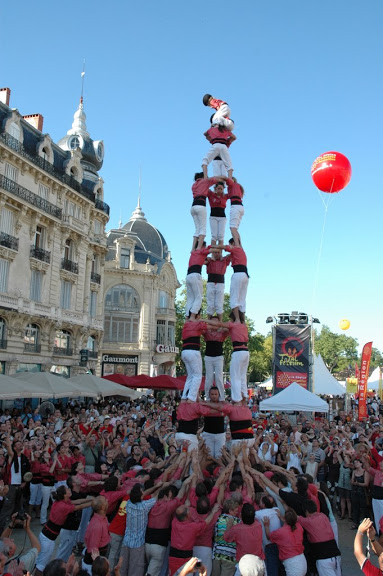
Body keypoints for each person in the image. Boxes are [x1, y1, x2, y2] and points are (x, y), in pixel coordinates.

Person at [35, 485, 93, 576]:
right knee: (41, 565)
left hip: (47, 535)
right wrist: (93, 502)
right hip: (48, 538)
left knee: (41, 561)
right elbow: (79, 506)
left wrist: (91, 500)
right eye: (68, 490)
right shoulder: (63, 506)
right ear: (65, 495)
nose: (70, 490)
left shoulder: (62, 501)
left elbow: (78, 501)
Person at [120, 483, 157, 576]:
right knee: (135, 570)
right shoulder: (144, 506)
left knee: (122, 568)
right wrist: (159, 486)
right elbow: (156, 497)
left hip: (126, 541)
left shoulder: (128, 503)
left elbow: (143, 495)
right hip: (138, 544)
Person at [297, 500, 341, 576]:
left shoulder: (308, 521)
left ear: (306, 511)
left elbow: (296, 517)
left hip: (323, 558)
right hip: (336, 555)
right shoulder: (323, 516)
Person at [263, 508, 306, 576]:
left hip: (293, 566)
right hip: (302, 561)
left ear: (285, 519)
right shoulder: (299, 526)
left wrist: (266, 525)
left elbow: (269, 536)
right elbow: (290, 524)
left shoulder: (281, 532)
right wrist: (281, 517)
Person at [0, 438, 30, 531]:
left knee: (19, 505)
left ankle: (16, 523)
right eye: (18, 444)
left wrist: (25, 482)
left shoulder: (24, 458)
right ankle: (3, 527)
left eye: (21, 444)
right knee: (8, 506)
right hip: (11, 485)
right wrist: (8, 435)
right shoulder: (11, 456)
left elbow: (28, 472)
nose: (20, 445)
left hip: (20, 485)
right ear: (14, 447)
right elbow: (9, 449)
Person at [191, 174, 221, 251]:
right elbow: (216, 180)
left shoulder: (194, 185)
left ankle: (193, 248)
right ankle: (198, 248)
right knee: (203, 229)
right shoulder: (204, 181)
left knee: (197, 229)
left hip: (193, 206)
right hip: (201, 205)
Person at [221, 240, 249, 322]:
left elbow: (223, 247)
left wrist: (212, 246)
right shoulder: (241, 251)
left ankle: (237, 319)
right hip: (245, 276)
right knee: (242, 299)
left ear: (233, 243)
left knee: (234, 298)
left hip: (237, 274)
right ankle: (243, 320)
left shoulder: (236, 249)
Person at [82, 496, 110, 576]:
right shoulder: (97, 525)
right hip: (93, 565)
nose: (107, 500)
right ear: (102, 507)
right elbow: (93, 549)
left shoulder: (102, 519)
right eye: (105, 500)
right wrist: (99, 566)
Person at [203, 319, 228, 400]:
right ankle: (207, 397)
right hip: (208, 357)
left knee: (219, 377)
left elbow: (228, 329)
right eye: (212, 322)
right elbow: (201, 328)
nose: (214, 324)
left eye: (216, 322)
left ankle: (221, 398)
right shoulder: (207, 332)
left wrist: (221, 326)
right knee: (209, 378)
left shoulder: (222, 333)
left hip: (218, 357)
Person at [185, 244, 212, 320]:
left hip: (188, 276)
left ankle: (187, 316)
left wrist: (206, 260)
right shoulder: (201, 251)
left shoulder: (194, 254)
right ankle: (193, 316)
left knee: (190, 298)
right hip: (195, 275)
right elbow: (212, 250)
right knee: (198, 297)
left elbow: (202, 262)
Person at [205, 250, 231, 320]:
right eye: (215, 252)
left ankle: (220, 323)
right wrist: (209, 256)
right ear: (213, 253)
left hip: (220, 282)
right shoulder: (209, 260)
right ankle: (208, 322)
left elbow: (232, 254)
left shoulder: (224, 260)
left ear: (221, 253)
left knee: (219, 304)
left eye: (218, 252)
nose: (217, 254)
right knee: (210, 304)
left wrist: (223, 254)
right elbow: (201, 258)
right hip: (211, 282)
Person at [202, 387, 227, 459]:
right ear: (209, 395)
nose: (214, 396)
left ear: (219, 395)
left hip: (220, 435)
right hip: (208, 434)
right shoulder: (205, 404)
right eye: (212, 394)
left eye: (215, 394)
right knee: (208, 456)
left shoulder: (223, 404)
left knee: (220, 456)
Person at [225, 178, 244, 247]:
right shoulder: (238, 186)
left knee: (232, 228)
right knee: (235, 229)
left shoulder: (232, 185)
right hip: (240, 207)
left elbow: (228, 196)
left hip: (235, 206)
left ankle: (237, 245)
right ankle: (239, 245)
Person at [207, 182, 228, 246]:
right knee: (214, 236)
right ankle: (213, 254)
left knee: (221, 236)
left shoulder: (225, 196)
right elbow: (206, 186)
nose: (220, 190)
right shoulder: (211, 194)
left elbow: (231, 191)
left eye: (221, 189)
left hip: (222, 217)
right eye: (218, 188)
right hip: (213, 216)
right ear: (215, 188)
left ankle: (220, 254)